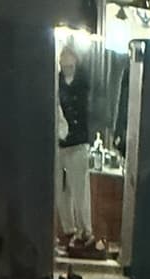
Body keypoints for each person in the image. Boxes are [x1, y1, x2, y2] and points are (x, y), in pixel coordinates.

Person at [55, 43, 93, 242]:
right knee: (61, 191)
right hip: (60, 142)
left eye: (68, 57)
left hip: (77, 141)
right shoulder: (57, 80)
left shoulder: (83, 81)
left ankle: (85, 231)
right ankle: (69, 229)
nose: (64, 61)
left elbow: (87, 108)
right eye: (62, 58)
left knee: (80, 191)